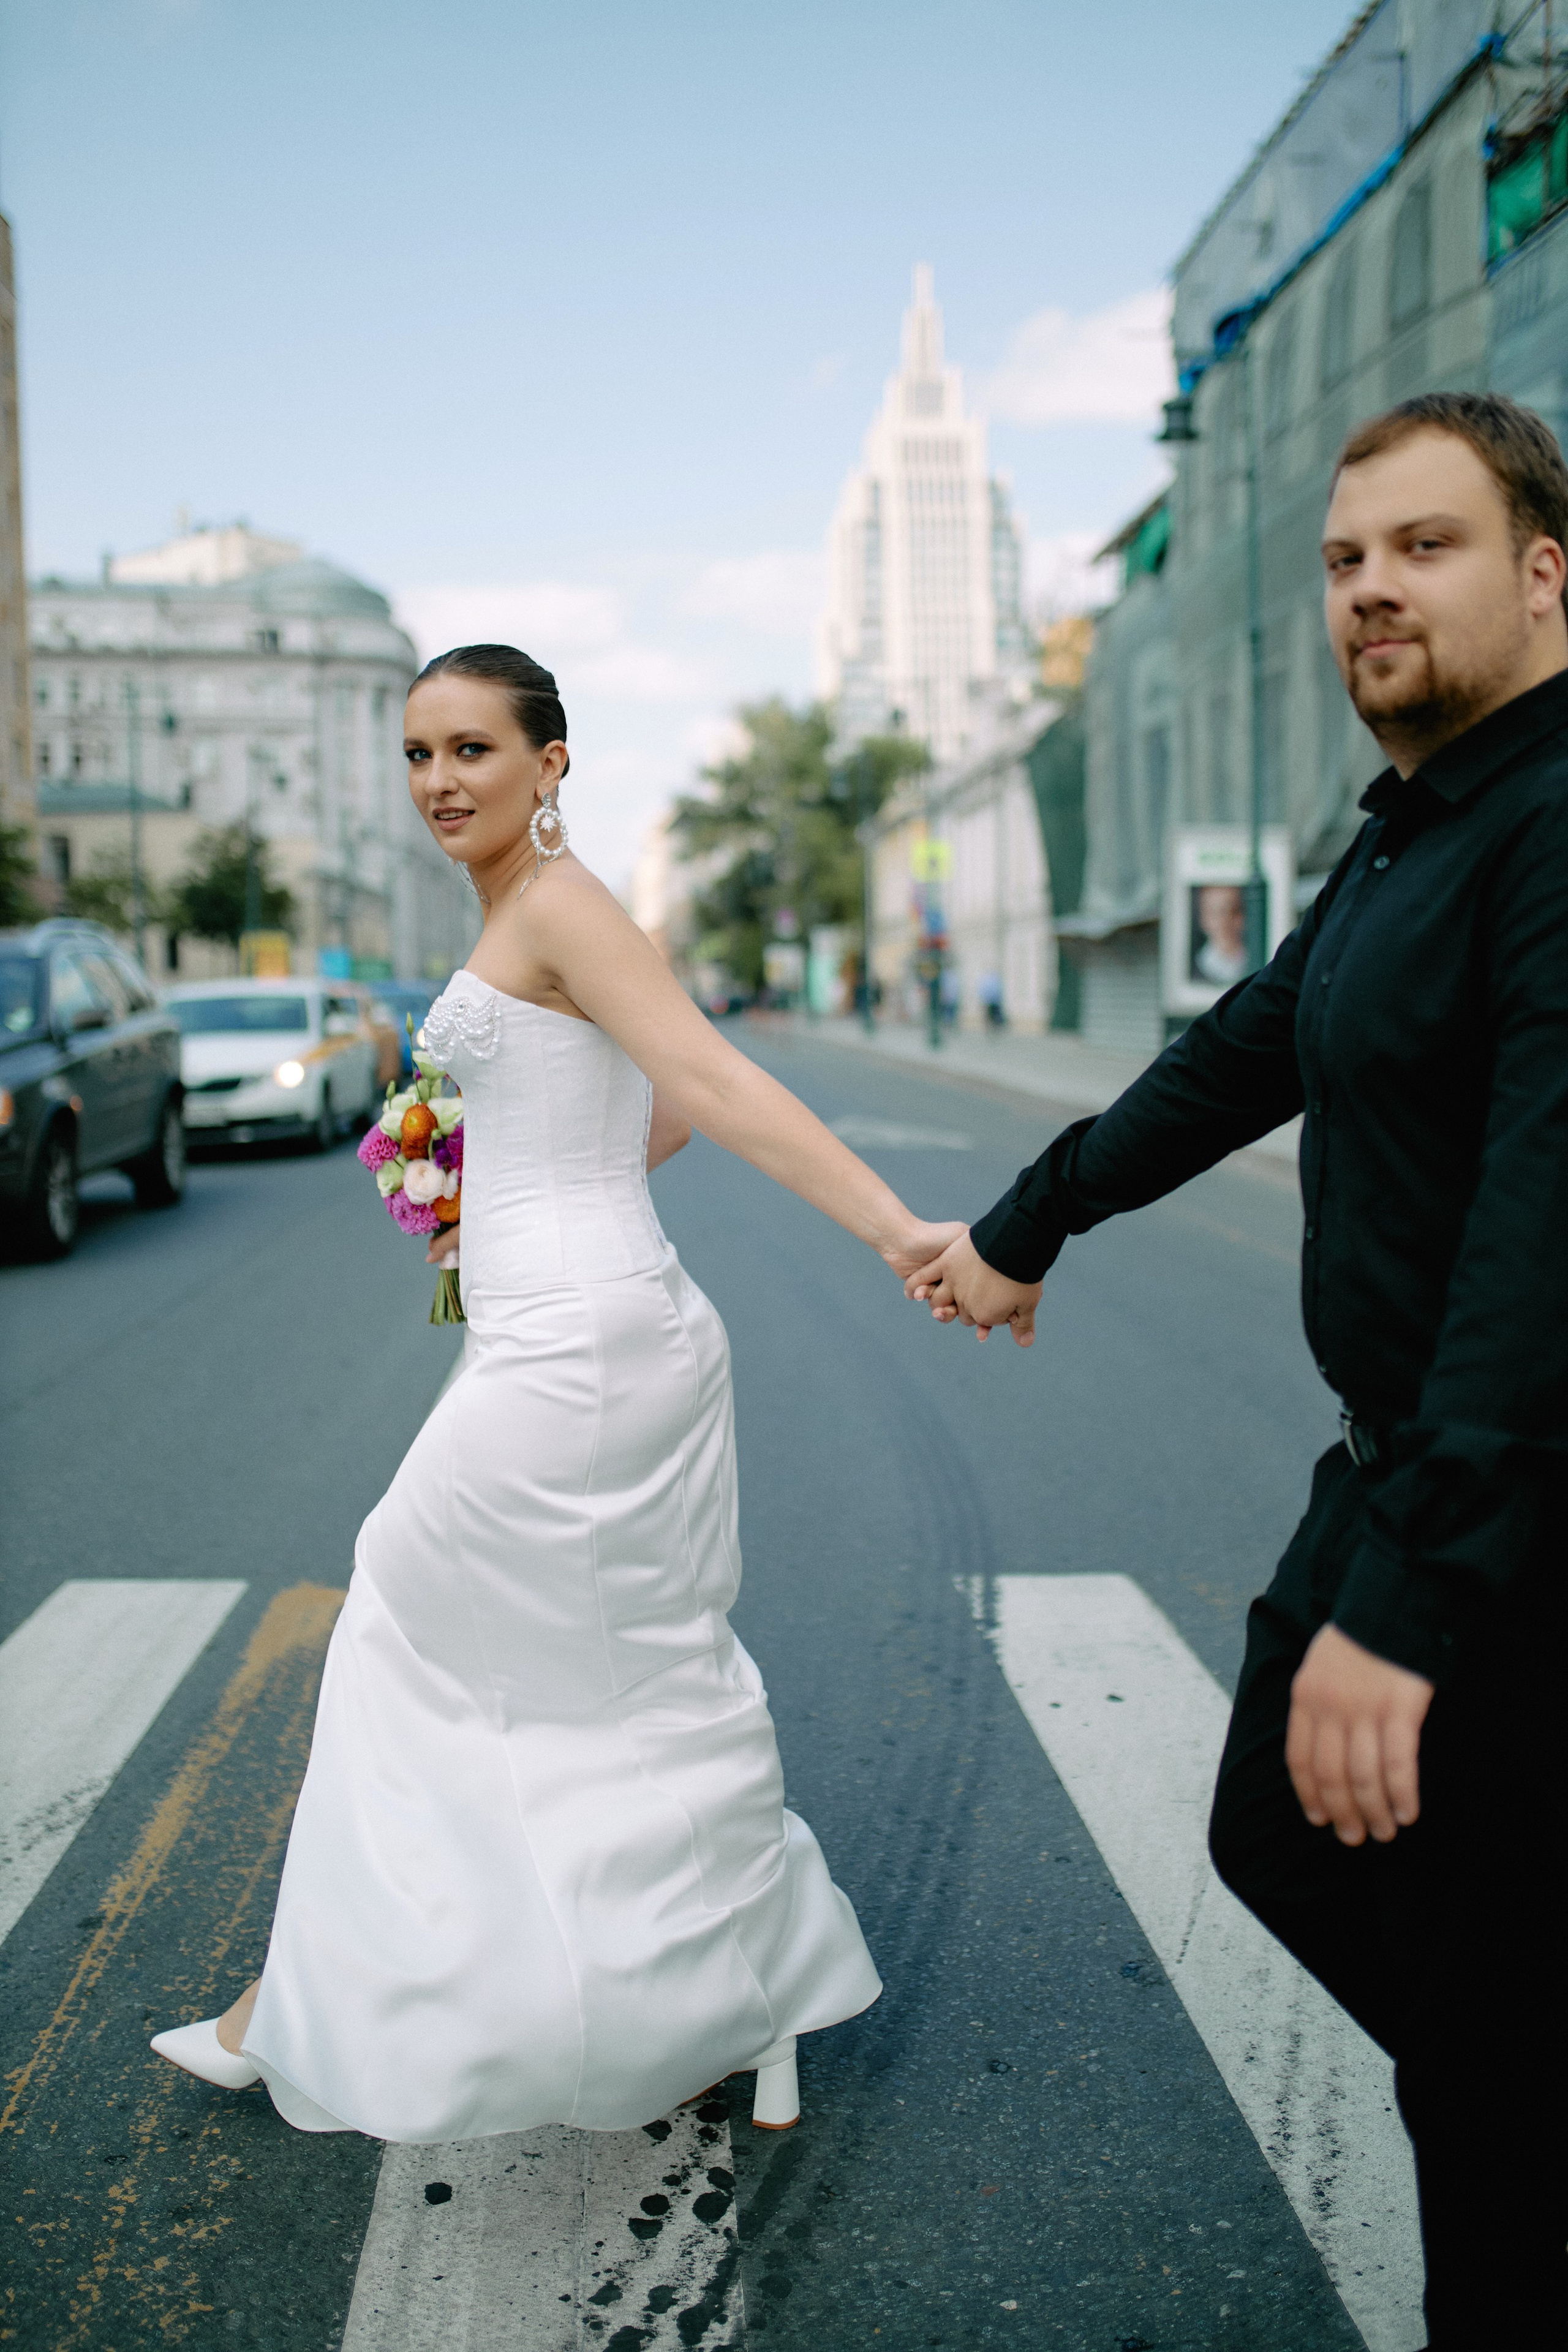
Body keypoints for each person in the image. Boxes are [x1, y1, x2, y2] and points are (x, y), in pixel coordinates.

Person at [907, 393, 1568, 2344]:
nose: (1369, 590)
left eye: (1424, 549)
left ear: (1546, 573)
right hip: (1416, 1475)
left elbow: (1545, 1238)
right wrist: (1031, 1219)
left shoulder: (1551, 826)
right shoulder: (1417, 829)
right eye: (1348, 560)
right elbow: (1242, 1048)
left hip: (1508, 1507)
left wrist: (1421, 1593)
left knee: (1465, 2016)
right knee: (1308, 1855)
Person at [151, 643, 963, 2141]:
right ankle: (758, 1992)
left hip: (577, 1350)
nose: (439, 781)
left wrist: (896, 1229)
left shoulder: (565, 904)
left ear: (552, 760)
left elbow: (710, 1084)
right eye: (416, 754)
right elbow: (634, 1112)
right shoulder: (525, 912)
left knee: (399, 1616)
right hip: (569, 1327)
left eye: (470, 749)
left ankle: (299, 2016)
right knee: (630, 1678)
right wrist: (480, 1181)